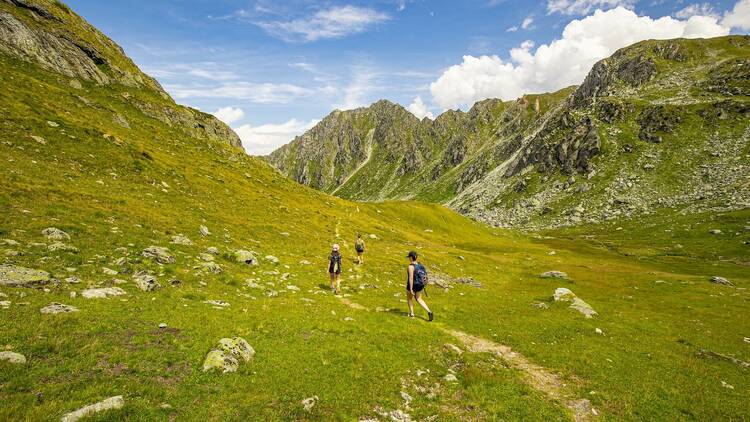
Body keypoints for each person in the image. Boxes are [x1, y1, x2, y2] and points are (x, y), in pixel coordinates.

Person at [406, 251, 433, 321]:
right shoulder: (420, 265)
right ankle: (429, 311)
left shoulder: (410, 267)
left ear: (411, 258)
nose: (409, 258)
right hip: (420, 285)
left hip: (413, 285)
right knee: (419, 299)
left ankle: (412, 314)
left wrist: (411, 289)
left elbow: (411, 278)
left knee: (409, 298)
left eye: (409, 257)